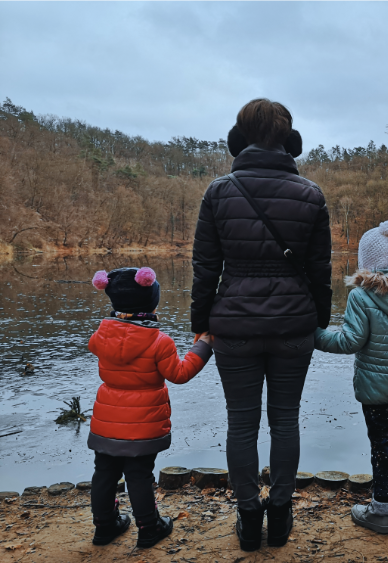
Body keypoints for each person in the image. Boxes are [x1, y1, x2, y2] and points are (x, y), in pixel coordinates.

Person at [191, 98, 332, 552]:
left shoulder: (218, 191)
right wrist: (318, 322)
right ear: (287, 141)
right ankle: (282, 513)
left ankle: (250, 518)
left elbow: (205, 268)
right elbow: (320, 271)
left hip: (233, 326)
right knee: (286, 420)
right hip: (295, 326)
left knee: (241, 424)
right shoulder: (311, 194)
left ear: (242, 137)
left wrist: (201, 325)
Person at [88, 267, 212, 548]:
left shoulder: (102, 334)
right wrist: (203, 347)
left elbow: (93, 345)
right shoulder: (159, 341)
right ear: (151, 302)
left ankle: (104, 527)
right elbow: (179, 374)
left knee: (104, 471)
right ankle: (148, 528)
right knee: (139, 475)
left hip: (107, 419)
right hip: (143, 423)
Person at [314, 221, 388, 534]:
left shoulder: (361, 296)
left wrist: (316, 336)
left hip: (376, 385)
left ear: (365, 262)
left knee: (380, 441)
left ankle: (382, 509)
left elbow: (350, 341)